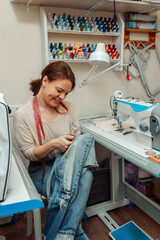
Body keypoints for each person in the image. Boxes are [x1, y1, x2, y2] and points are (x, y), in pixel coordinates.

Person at [13, 61, 97, 240]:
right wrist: (53, 144)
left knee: (86, 144)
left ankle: (57, 235)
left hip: (69, 163)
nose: (62, 97)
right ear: (45, 81)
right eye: (59, 90)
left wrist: (70, 145)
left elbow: (78, 145)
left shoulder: (69, 110)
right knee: (82, 180)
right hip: (40, 169)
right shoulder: (23, 114)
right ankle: (72, 232)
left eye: (66, 93)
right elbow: (29, 153)